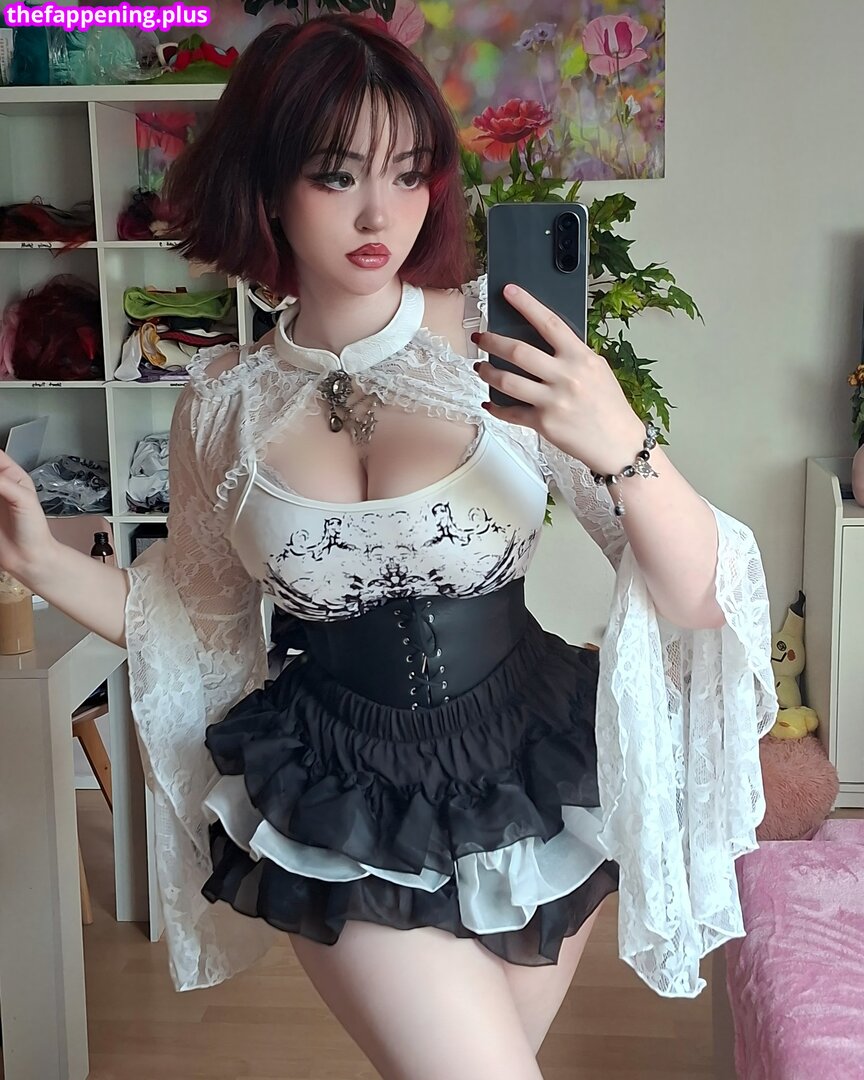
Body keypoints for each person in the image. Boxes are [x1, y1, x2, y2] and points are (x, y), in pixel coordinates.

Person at [0, 15, 776, 1079]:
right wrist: (42, 562)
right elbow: (195, 619)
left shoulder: (503, 346)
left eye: (409, 174)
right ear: (266, 184)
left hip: (534, 770)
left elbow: (698, 598)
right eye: (336, 175)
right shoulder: (219, 405)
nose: (380, 213)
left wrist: (621, 443)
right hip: (342, 790)